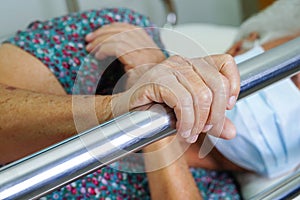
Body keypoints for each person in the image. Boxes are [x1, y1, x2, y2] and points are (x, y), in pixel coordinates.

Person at [0, 8, 241, 199]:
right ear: (240, 49)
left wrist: (155, 122)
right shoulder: (120, 39)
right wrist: (115, 108)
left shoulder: (220, 191)